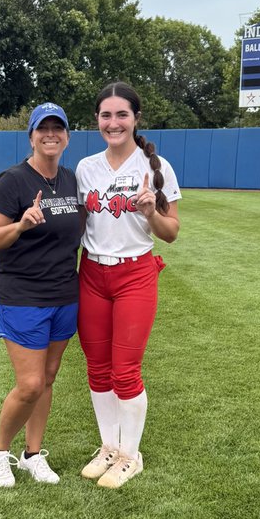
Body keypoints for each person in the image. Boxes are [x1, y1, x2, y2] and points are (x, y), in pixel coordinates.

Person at [75, 82, 181, 488]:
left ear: (136, 119)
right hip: (92, 274)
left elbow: (170, 233)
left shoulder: (156, 167)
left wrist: (152, 213)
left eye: (122, 114)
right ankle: (109, 446)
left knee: (125, 371)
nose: (113, 122)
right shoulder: (86, 168)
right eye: (106, 115)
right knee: (97, 368)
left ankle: (130, 455)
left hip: (135, 273)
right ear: (97, 120)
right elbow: (78, 224)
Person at [0, 103, 81, 487]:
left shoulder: (71, 181)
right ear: (32, 135)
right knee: (30, 384)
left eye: (58, 128)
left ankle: (33, 454)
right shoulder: (13, 181)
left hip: (64, 294)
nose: (51, 135)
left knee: (49, 377)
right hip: (20, 295)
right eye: (43, 129)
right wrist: (20, 225)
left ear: (67, 136)